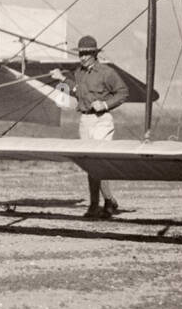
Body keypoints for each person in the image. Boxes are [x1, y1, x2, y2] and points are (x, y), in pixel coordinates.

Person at [52, 35, 127, 218]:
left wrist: (106, 104)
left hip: (102, 120)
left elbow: (123, 92)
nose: (83, 57)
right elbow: (78, 92)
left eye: (86, 54)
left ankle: (107, 203)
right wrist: (61, 79)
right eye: (81, 54)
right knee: (90, 164)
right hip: (85, 120)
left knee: (99, 163)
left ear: (94, 53)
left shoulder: (107, 72)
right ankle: (96, 204)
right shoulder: (79, 73)